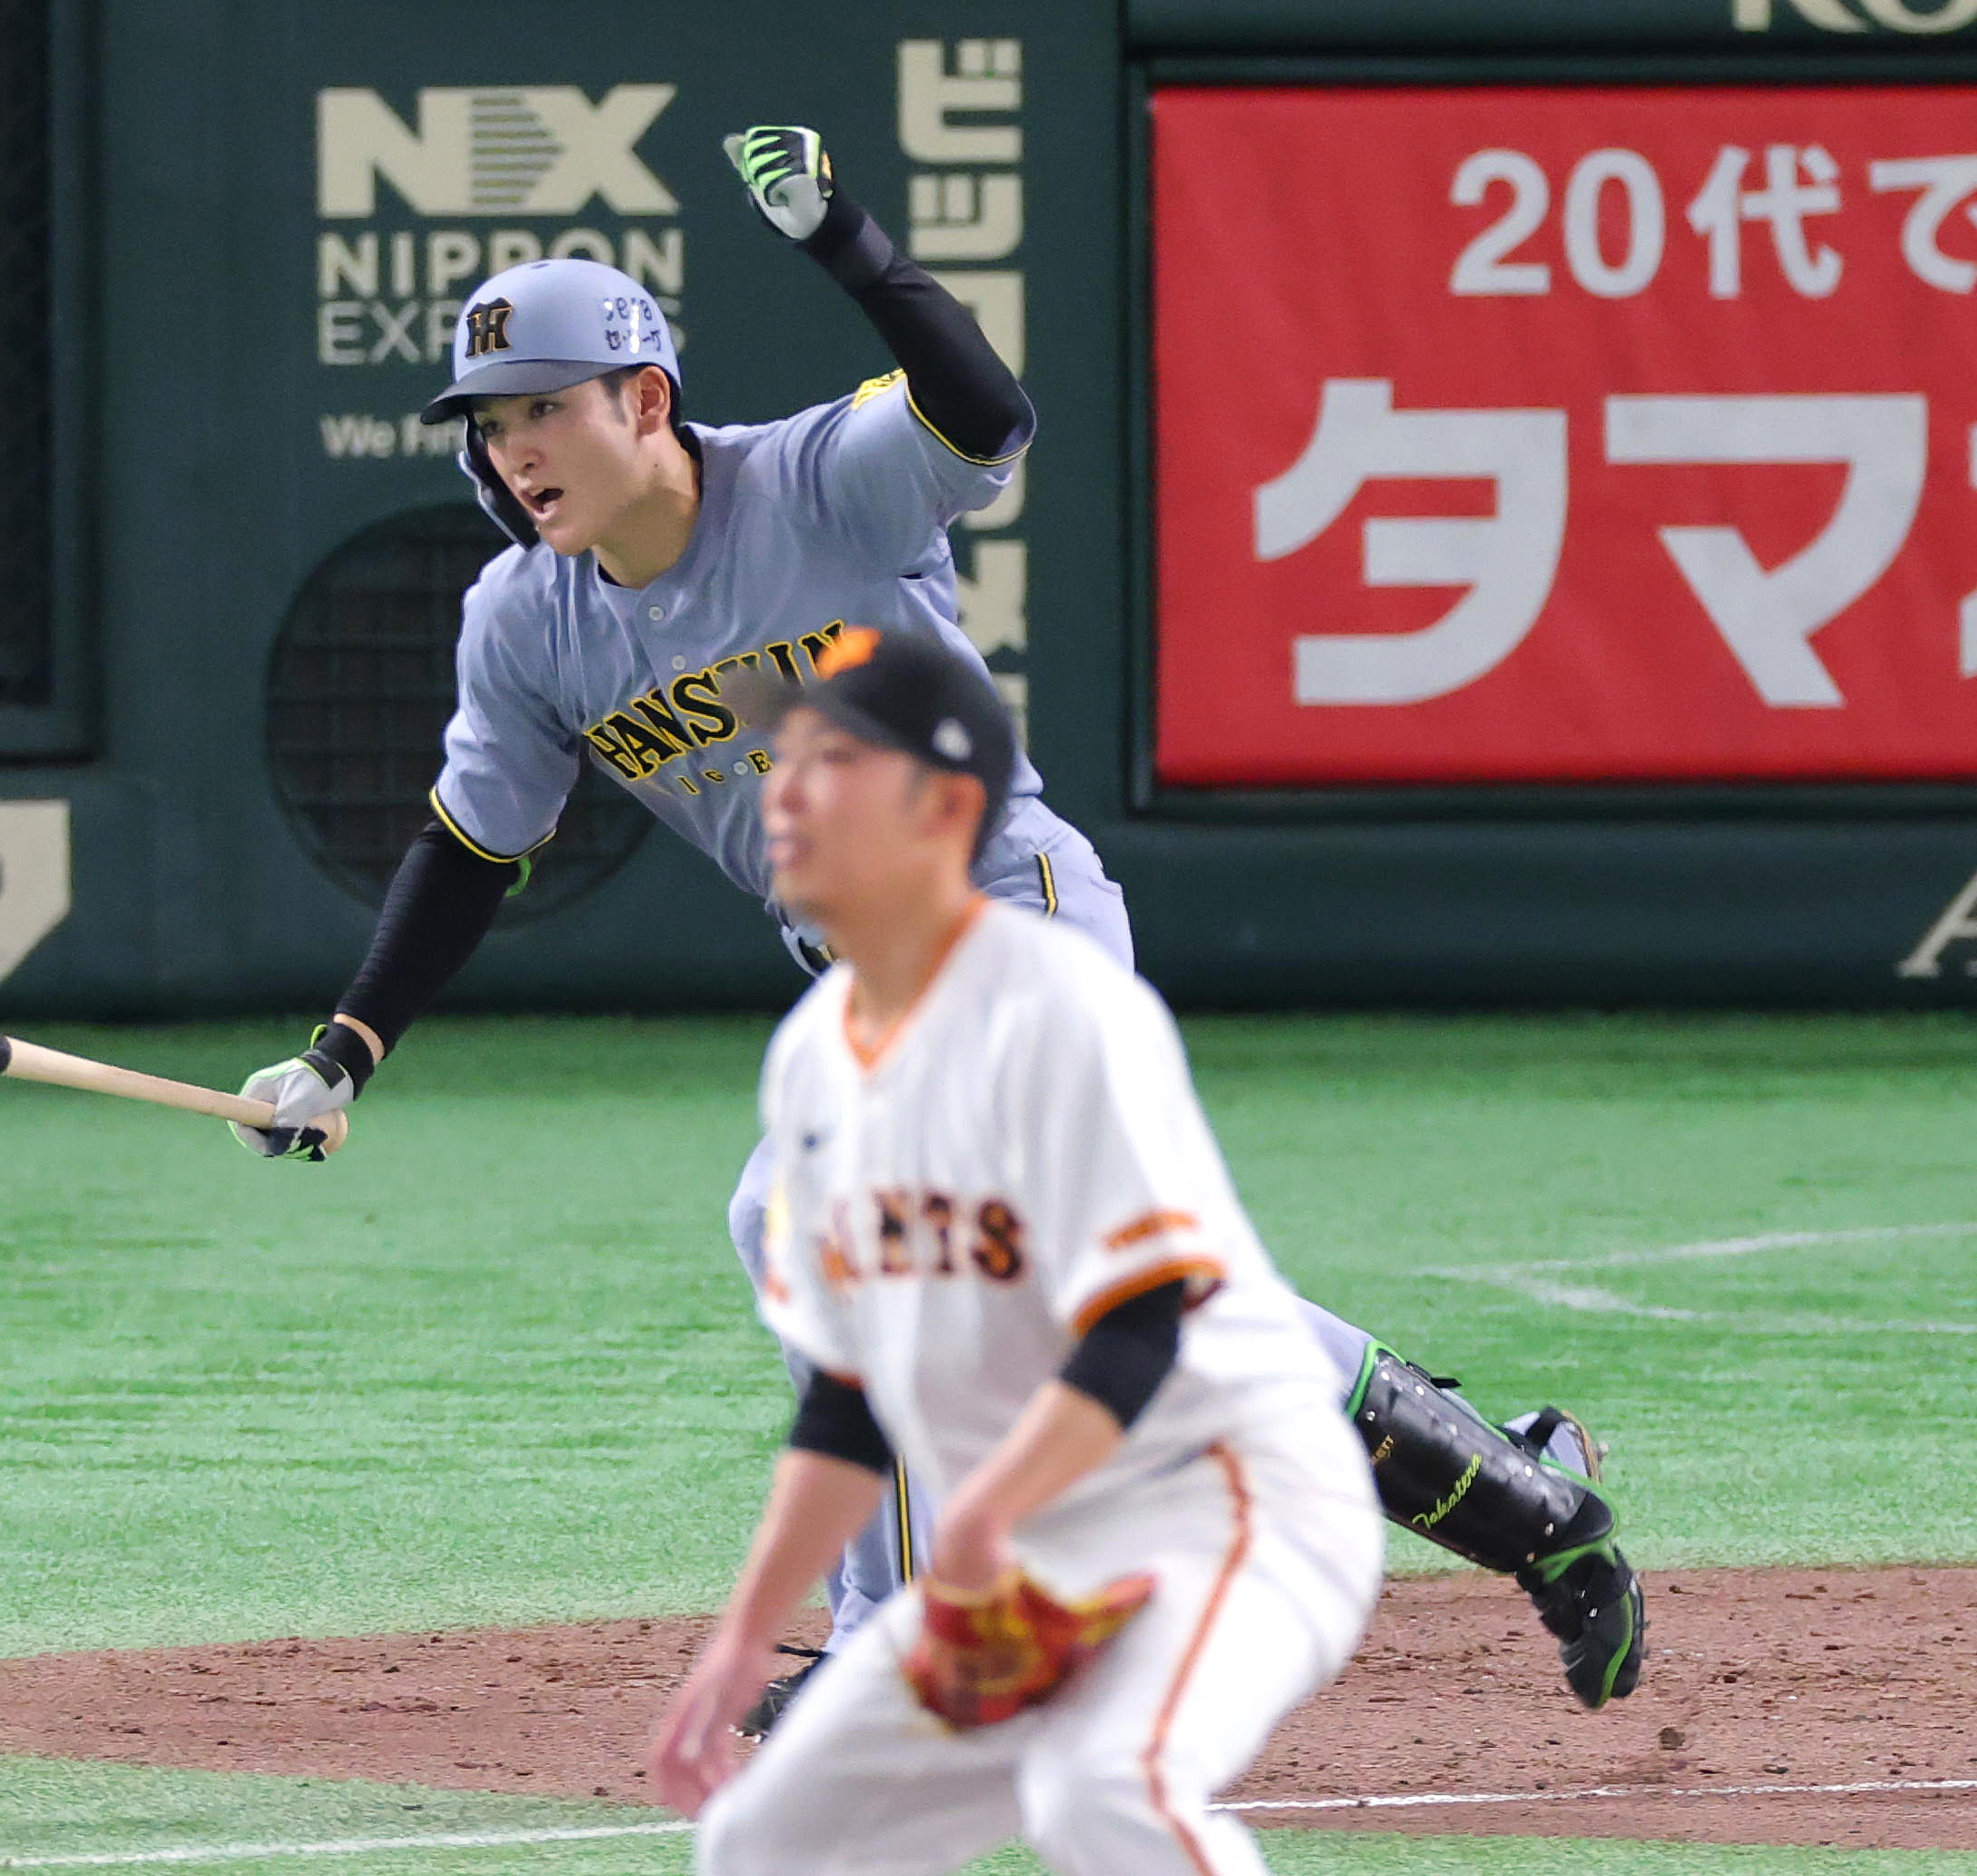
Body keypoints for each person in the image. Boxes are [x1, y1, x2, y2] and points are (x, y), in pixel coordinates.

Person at [232, 125, 1643, 1718]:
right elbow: (472, 846)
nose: (514, 451)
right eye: (491, 425)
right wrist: (344, 1052)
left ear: (646, 400)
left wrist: (845, 239)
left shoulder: (814, 481)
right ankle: (1527, 1496)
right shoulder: (526, 622)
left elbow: (984, 413)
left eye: (546, 407)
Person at [650, 626, 1384, 1875]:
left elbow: (1139, 1329)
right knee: (766, 1842)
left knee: (1105, 1789)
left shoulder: (1061, 1010)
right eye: (786, 756)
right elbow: (846, 1400)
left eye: (835, 760)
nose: (784, 790)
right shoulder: (817, 1056)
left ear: (945, 809)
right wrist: (743, 1636)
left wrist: (981, 1517)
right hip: (1034, 1537)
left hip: (1227, 1507)